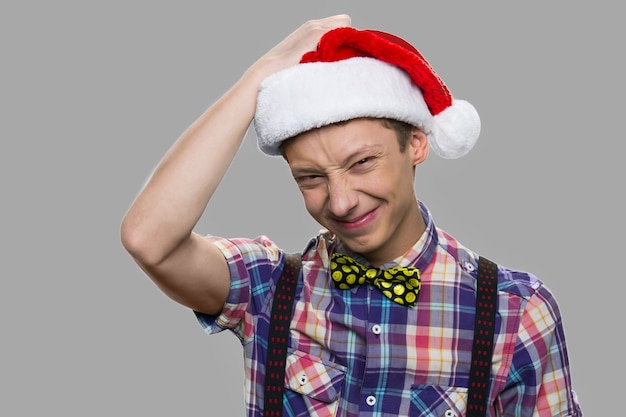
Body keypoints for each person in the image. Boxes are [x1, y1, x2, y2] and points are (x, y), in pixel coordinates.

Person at [120, 14, 583, 417]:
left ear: (417, 143)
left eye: (362, 163)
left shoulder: (514, 312)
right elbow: (149, 238)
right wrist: (258, 77)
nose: (340, 202)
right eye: (310, 178)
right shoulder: (267, 287)